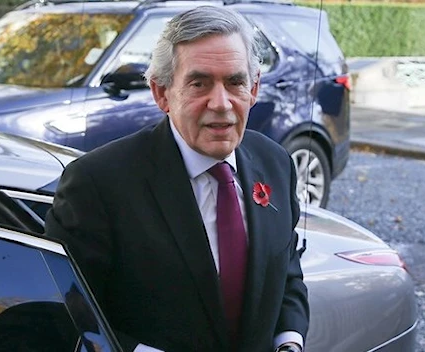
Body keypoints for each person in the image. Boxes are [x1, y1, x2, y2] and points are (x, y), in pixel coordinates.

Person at [45, 5, 309, 352]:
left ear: (254, 88)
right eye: (199, 83)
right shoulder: (98, 183)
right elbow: (66, 312)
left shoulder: (275, 162)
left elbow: (286, 274)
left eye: (235, 82)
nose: (221, 103)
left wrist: (288, 342)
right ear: (161, 93)